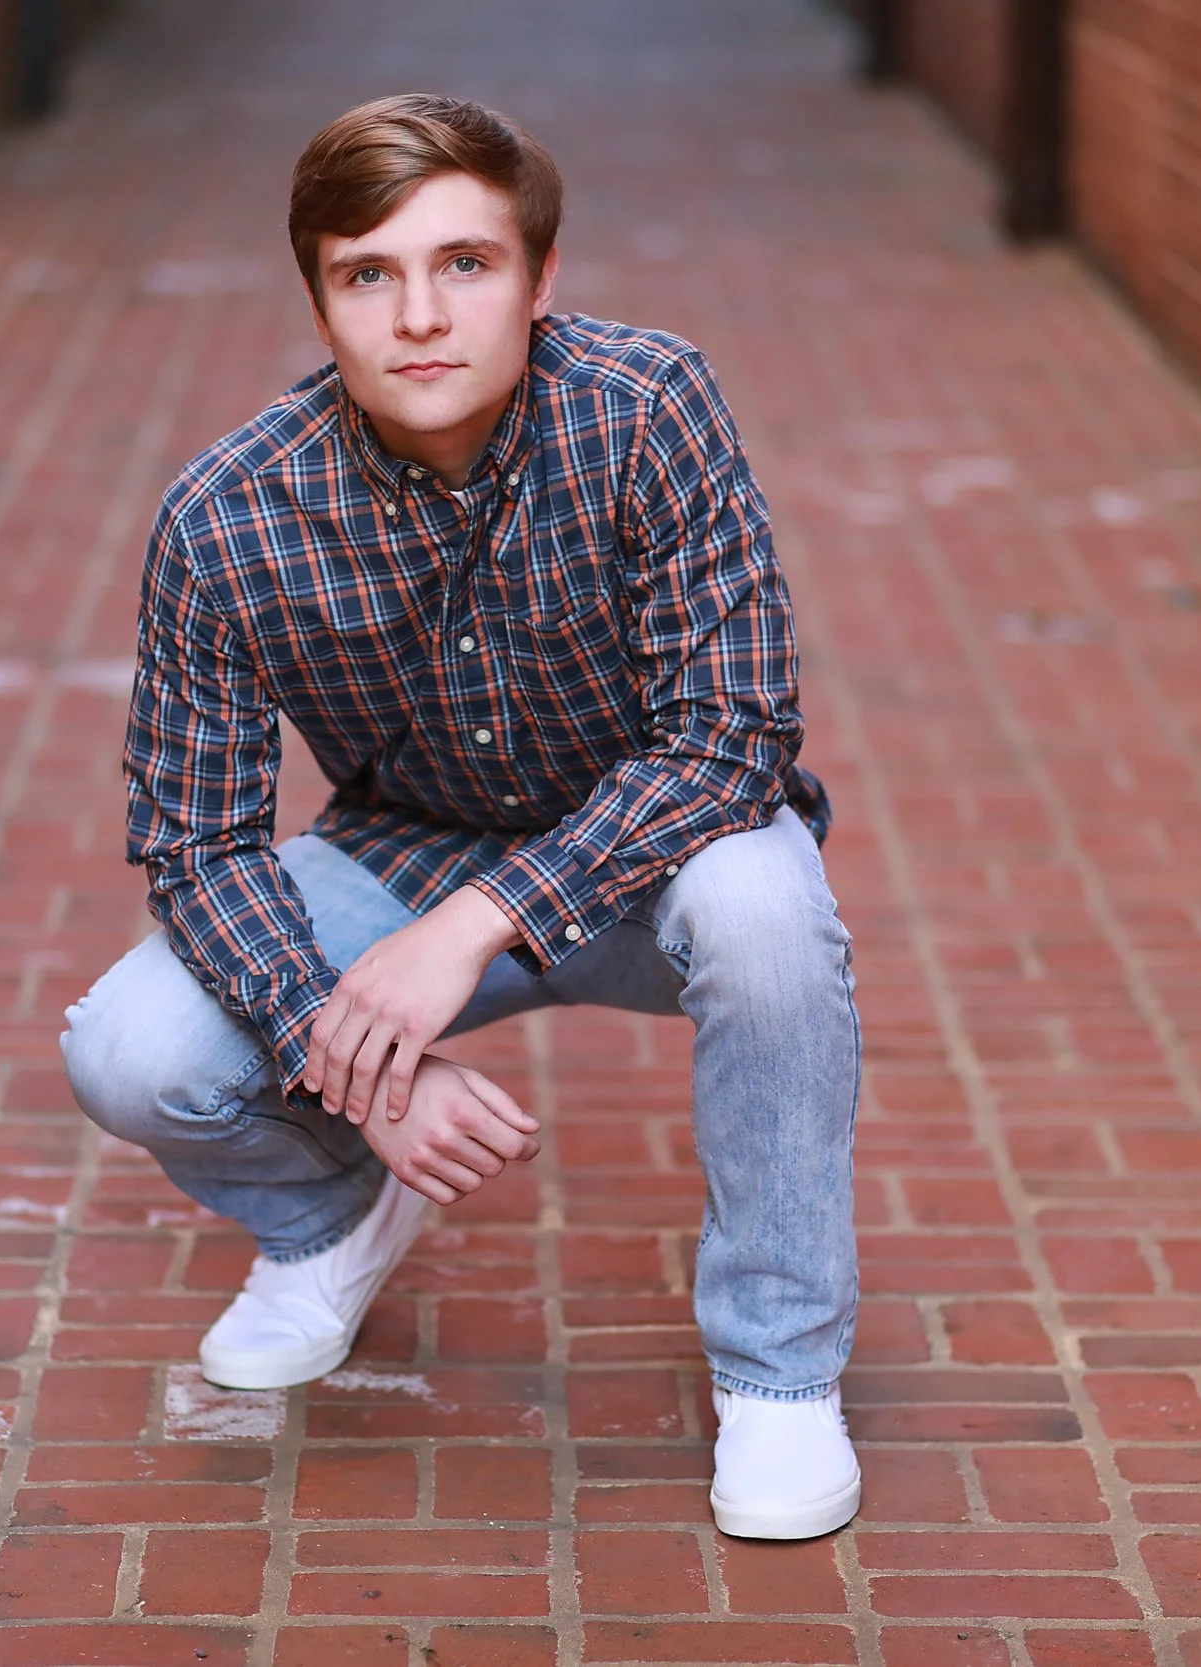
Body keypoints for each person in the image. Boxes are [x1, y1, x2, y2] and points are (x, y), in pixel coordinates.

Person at [61, 93, 862, 1541]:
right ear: (320, 299)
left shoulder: (647, 407)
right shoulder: (229, 517)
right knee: (131, 1050)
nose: (419, 316)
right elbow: (197, 843)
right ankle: (334, 1219)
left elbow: (733, 737)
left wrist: (471, 933)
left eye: (466, 266)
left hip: (656, 854)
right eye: (370, 274)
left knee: (768, 906)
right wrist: (356, 1055)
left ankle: (781, 1371)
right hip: (405, 846)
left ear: (541, 282)